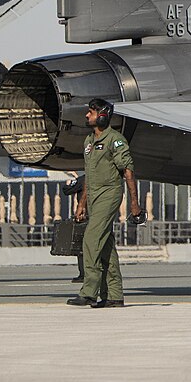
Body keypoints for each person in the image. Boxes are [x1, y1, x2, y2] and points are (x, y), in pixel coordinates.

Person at [69, 99, 140, 309]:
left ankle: (89, 292)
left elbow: (127, 171)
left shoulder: (115, 141)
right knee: (106, 245)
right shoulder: (89, 142)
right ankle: (114, 295)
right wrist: (82, 205)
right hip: (93, 196)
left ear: (102, 115)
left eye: (90, 112)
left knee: (91, 238)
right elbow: (88, 178)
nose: (86, 116)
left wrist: (134, 204)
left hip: (109, 194)